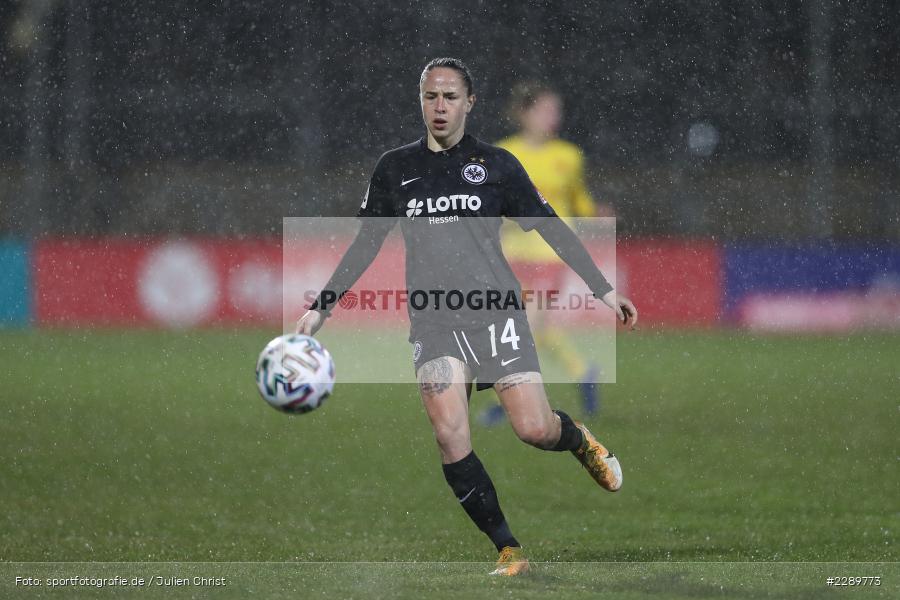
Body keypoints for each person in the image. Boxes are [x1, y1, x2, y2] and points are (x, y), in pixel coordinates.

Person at [296, 58, 637, 577]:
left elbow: (550, 226)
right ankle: (508, 549)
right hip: (433, 320)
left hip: (496, 311)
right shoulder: (395, 168)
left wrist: (603, 289)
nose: (439, 106)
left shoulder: (497, 165)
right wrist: (320, 308)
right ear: (421, 101)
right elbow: (366, 244)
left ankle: (575, 437)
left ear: (469, 103)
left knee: (533, 429)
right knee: (450, 434)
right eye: (431, 96)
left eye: (450, 97)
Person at [478, 82, 613, 427]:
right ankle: (581, 372)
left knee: (529, 327)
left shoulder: (568, 156)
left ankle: (513, 402)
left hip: (552, 253)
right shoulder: (503, 153)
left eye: (556, 111)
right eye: (546, 110)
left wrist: (595, 213)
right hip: (511, 252)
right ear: (525, 112)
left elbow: (577, 198)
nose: (554, 117)